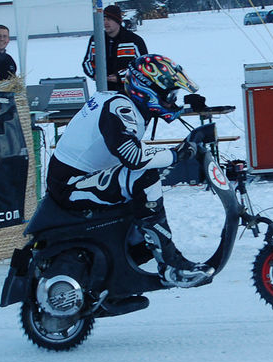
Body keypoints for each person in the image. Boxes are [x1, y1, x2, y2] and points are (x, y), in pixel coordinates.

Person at [47, 54, 214, 288]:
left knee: (141, 202)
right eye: (169, 95)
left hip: (79, 177)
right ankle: (170, 265)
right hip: (71, 185)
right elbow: (133, 157)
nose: (171, 102)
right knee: (144, 178)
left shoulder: (121, 102)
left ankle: (117, 270)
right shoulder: (119, 107)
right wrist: (176, 154)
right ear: (146, 90)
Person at [82, 5, 147, 92]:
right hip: (103, 89)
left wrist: (120, 77)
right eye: (104, 19)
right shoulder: (96, 40)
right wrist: (95, 74)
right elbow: (87, 62)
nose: (105, 23)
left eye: (109, 19)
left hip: (129, 90)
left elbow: (142, 66)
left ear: (118, 21)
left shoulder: (134, 40)